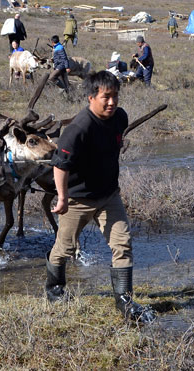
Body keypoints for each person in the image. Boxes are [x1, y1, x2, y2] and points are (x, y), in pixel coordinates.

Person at [45, 71, 154, 323]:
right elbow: (60, 166)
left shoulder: (120, 118)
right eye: (106, 97)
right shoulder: (77, 129)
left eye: (115, 96)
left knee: (122, 243)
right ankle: (54, 290)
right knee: (65, 247)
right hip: (78, 199)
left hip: (108, 195)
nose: (112, 102)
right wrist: (61, 198)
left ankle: (124, 301)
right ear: (91, 97)